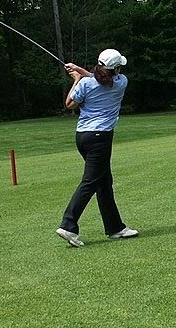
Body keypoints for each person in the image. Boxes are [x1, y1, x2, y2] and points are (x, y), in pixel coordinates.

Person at [56, 48, 139, 248]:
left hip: (82, 137)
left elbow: (70, 103)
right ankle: (68, 225)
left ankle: (115, 227)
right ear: (116, 69)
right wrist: (79, 73)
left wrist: (76, 78)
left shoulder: (86, 83)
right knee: (91, 182)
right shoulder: (121, 82)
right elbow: (98, 80)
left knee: (104, 182)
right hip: (100, 139)